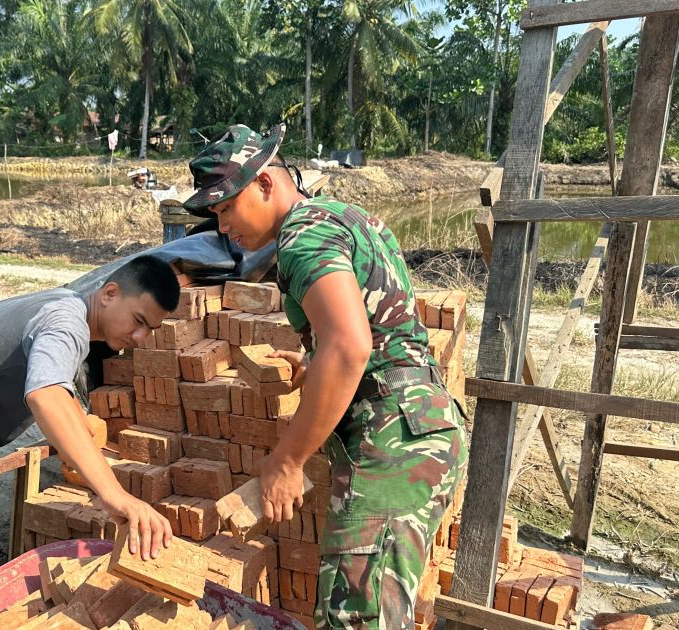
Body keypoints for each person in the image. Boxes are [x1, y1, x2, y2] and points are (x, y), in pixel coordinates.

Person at [182, 124, 468, 630]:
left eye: (226, 207)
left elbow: (351, 346)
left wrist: (287, 461)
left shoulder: (301, 239)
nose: (223, 227)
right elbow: (382, 332)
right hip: (414, 424)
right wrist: (313, 366)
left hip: (393, 443)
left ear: (266, 183)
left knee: (357, 619)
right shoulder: (339, 215)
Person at [0, 255, 180, 600]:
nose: (140, 337)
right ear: (110, 293)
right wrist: (115, 496)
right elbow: (45, 394)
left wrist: (80, 434)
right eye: (138, 321)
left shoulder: (69, 305)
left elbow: (60, 389)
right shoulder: (65, 322)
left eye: (150, 329)